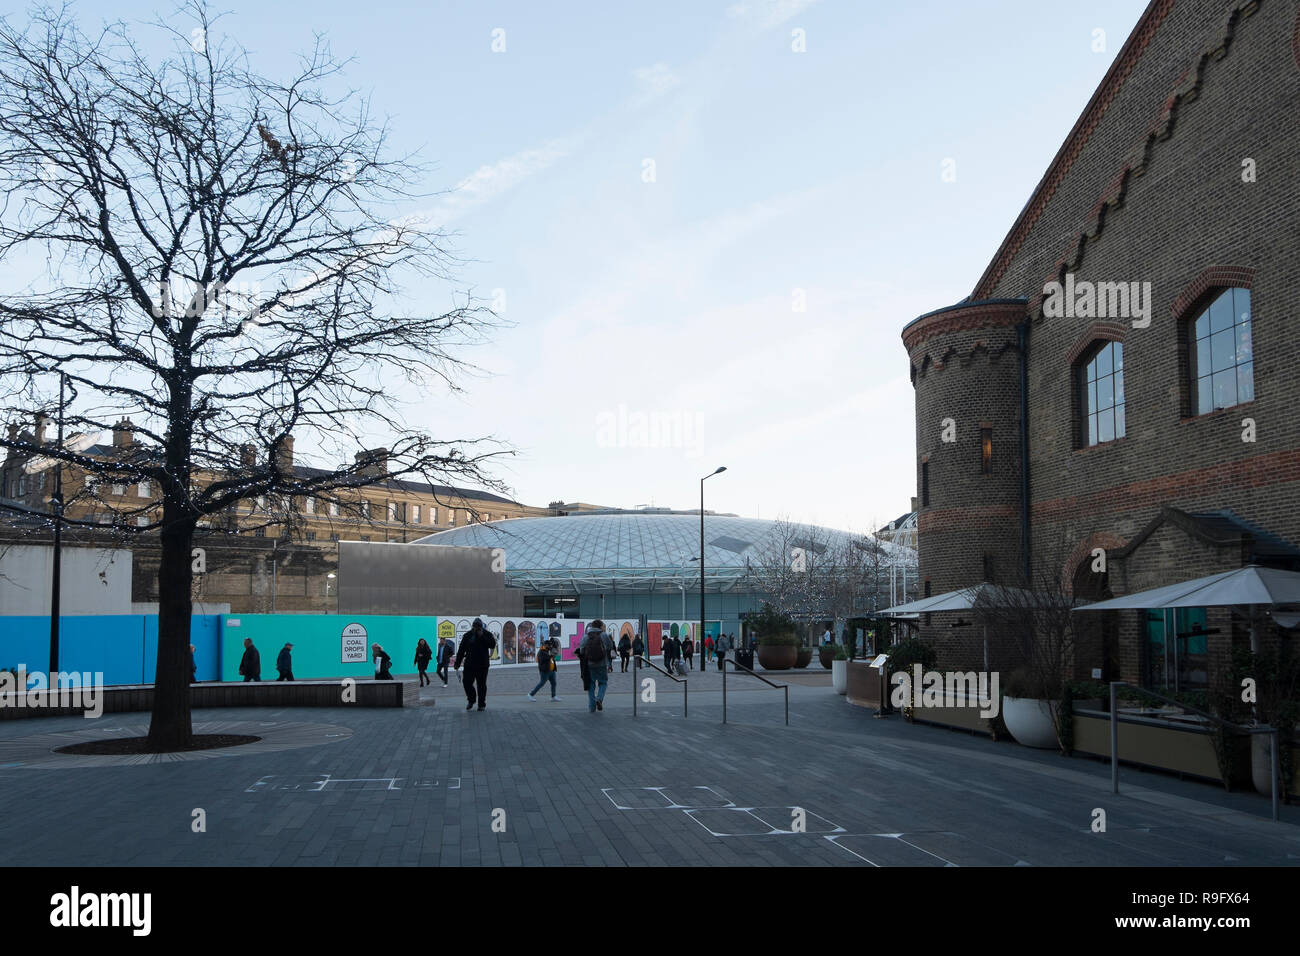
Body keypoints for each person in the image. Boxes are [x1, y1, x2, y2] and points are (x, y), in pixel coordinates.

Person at [454, 619, 497, 711]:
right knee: (466, 682)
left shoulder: (487, 634)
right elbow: (461, 650)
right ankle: (471, 699)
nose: (476, 629)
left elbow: (492, 645)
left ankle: (481, 704)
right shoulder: (468, 635)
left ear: (481, 627)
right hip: (470, 664)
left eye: (478, 627)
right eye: (475, 627)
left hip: (482, 665)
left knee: (481, 685)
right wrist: (457, 663)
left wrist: (482, 636)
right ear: (472, 626)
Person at [583, 620, 612, 713]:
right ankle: (599, 698)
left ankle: (592, 707)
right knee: (603, 683)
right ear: (600, 626)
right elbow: (610, 646)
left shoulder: (586, 636)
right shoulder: (603, 635)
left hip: (590, 664)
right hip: (602, 664)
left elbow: (581, 650)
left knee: (591, 685)